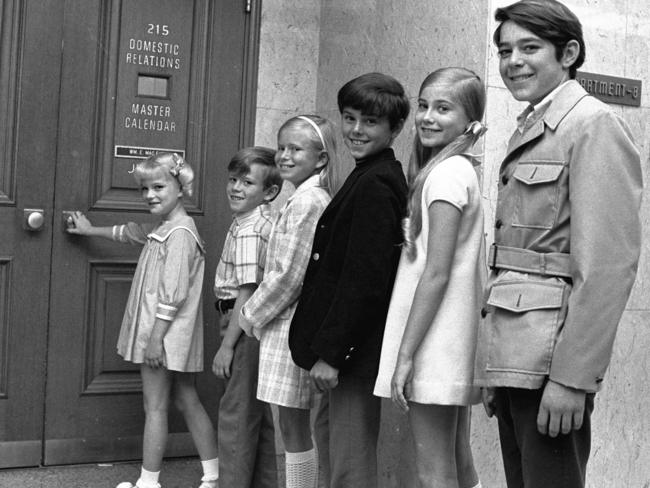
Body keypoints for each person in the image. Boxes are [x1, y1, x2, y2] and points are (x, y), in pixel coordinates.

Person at [474, 1, 642, 487]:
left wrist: (572, 378)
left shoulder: (593, 125)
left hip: (552, 364)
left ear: (568, 52)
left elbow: (608, 267)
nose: (512, 62)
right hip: (514, 356)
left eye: (530, 48)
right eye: (505, 50)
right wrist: (492, 364)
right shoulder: (534, 124)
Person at [66, 153, 219, 488]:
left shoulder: (179, 233)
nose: (150, 194)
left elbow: (173, 293)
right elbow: (134, 233)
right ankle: (213, 475)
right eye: (145, 188)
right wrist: (92, 229)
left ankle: (149, 483)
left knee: (156, 406)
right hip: (171, 337)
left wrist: (154, 340)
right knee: (186, 398)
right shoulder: (167, 228)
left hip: (161, 336)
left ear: (181, 188)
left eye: (159, 186)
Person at [289, 72, 409, 488]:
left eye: (370, 122)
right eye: (349, 117)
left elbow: (365, 281)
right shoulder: (367, 173)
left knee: (349, 466)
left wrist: (333, 354)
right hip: (342, 352)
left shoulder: (376, 183)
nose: (356, 130)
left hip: (351, 356)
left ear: (395, 128)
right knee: (337, 457)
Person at [374, 67, 487, 488]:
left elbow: (436, 273)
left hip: (434, 344)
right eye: (423, 105)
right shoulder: (457, 170)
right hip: (447, 342)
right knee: (458, 458)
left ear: (469, 119)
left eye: (443, 108)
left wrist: (405, 357)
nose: (427, 117)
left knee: (434, 468)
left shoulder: (444, 176)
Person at [238, 115, 339, 488]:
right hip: (285, 322)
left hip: (289, 324)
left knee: (294, 427)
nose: (284, 156)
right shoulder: (301, 198)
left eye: (295, 149)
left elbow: (289, 274)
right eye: (281, 147)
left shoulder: (309, 201)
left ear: (321, 159)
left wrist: (250, 314)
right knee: (291, 425)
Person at [212, 147, 283, 488]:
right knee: (256, 416)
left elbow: (247, 291)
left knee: (236, 416)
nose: (236, 187)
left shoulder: (250, 229)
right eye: (233, 179)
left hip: (240, 326)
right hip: (253, 327)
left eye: (247, 182)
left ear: (269, 191)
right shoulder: (260, 219)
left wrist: (227, 346)